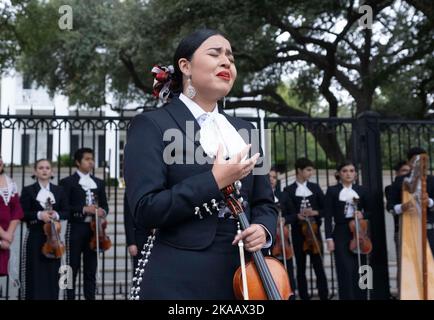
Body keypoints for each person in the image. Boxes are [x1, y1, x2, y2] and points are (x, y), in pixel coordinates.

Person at [124, 29, 278, 299]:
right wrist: (214, 181)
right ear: (185, 66)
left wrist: (263, 229)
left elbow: (265, 202)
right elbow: (145, 209)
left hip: (244, 275)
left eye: (230, 56)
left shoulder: (246, 130)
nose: (227, 61)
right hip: (178, 275)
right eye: (215, 53)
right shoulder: (150, 125)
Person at [60, 148, 109, 300]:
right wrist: (83, 209)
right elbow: (63, 208)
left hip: (94, 231)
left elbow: (106, 206)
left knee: (90, 270)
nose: (91, 162)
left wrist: (102, 211)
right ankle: (68, 297)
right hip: (75, 228)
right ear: (77, 162)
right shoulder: (67, 182)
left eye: (92, 159)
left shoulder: (99, 183)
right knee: (69, 267)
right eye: (87, 159)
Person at [20, 159, 69, 300]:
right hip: (35, 236)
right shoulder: (28, 190)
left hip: (54, 239)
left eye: (47, 167)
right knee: (34, 273)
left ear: (51, 171)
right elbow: (22, 214)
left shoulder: (59, 191)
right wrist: (39, 215)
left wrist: (56, 214)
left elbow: (67, 211)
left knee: (52, 274)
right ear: (35, 171)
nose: (44, 170)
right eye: (41, 167)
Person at [281, 158, 328, 300]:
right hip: (298, 234)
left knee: (319, 267)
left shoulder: (315, 188)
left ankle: (324, 296)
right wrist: (297, 216)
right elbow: (287, 215)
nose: (311, 173)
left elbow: (326, 209)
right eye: (308, 170)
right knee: (300, 269)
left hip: (314, 232)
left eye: (311, 170)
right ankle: (304, 297)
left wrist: (315, 212)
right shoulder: (288, 190)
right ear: (299, 171)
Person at [324, 161, 371, 300]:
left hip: (359, 232)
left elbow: (371, 211)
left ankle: (362, 297)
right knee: (344, 269)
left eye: (351, 170)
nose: (348, 173)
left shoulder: (362, 190)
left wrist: (363, 214)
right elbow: (327, 216)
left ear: (355, 173)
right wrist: (329, 238)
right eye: (345, 171)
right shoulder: (332, 191)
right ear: (339, 174)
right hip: (340, 232)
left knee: (361, 268)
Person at [388, 147, 434, 254]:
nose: (419, 164)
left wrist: (429, 202)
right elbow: (390, 206)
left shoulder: (432, 180)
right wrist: (402, 207)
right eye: (416, 161)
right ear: (409, 163)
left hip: (430, 231)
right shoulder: (399, 181)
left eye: (423, 160)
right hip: (408, 232)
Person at [269, 166, 297, 300]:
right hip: (269, 239)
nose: (272, 180)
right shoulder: (260, 195)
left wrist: (285, 219)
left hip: (283, 238)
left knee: (288, 270)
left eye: (274, 177)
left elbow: (293, 214)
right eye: (269, 177)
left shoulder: (283, 195)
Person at [0, 155, 24, 277]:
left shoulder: (10, 184)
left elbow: (16, 210)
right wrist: (3, 235)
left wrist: (8, 233)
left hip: (5, 238)